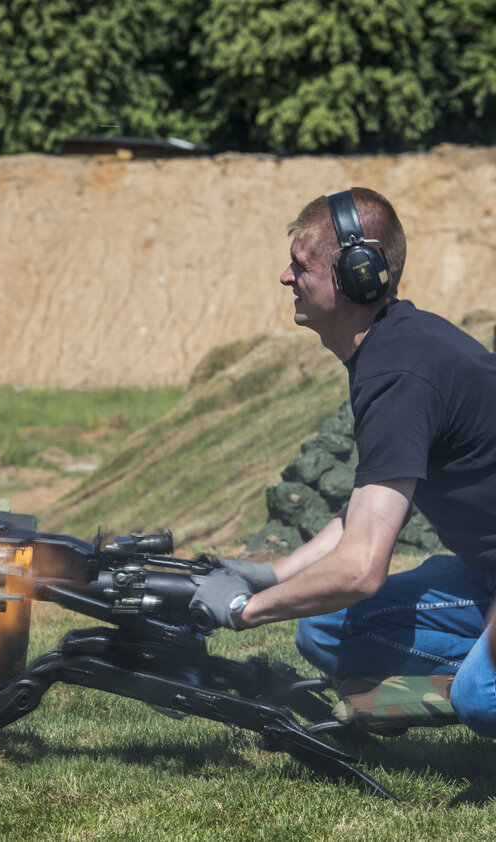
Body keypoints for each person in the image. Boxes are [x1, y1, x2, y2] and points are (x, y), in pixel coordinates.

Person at [190, 187, 496, 736]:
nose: (285, 277)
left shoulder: (399, 373)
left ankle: (454, 686)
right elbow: (368, 511)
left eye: (300, 263)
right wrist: (267, 576)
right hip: (486, 574)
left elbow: (360, 568)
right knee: (323, 630)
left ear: (358, 274)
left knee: (482, 697)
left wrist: (243, 610)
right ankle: (436, 684)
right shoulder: (393, 349)